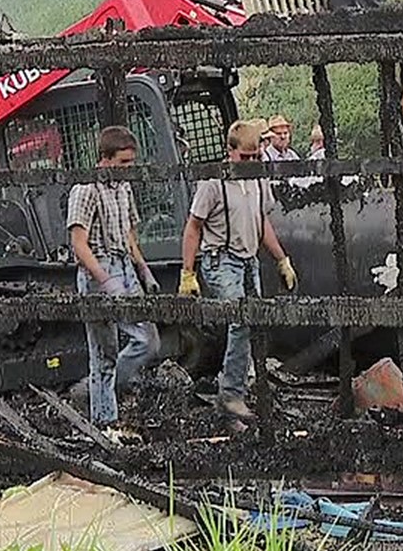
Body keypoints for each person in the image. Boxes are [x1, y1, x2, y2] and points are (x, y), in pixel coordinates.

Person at [180, 119, 298, 420]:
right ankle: (231, 395)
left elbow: (262, 223)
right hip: (220, 260)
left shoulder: (258, 180)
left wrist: (282, 259)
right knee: (241, 321)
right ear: (230, 151)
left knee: (255, 323)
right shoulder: (213, 183)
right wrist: (188, 272)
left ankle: (239, 395)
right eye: (244, 158)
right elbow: (193, 228)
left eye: (255, 157)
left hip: (249, 261)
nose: (250, 162)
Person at [67, 125, 162, 428]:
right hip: (100, 269)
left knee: (149, 340)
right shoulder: (86, 189)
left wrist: (143, 269)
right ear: (105, 159)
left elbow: (129, 234)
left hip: (124, 264)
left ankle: (106, 390)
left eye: (131, 162)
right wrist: (104, 280)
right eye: (123, 163)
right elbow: (78, 243)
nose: (128, 168)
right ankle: (105, 422)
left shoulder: (123, 188)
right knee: (103, 353)